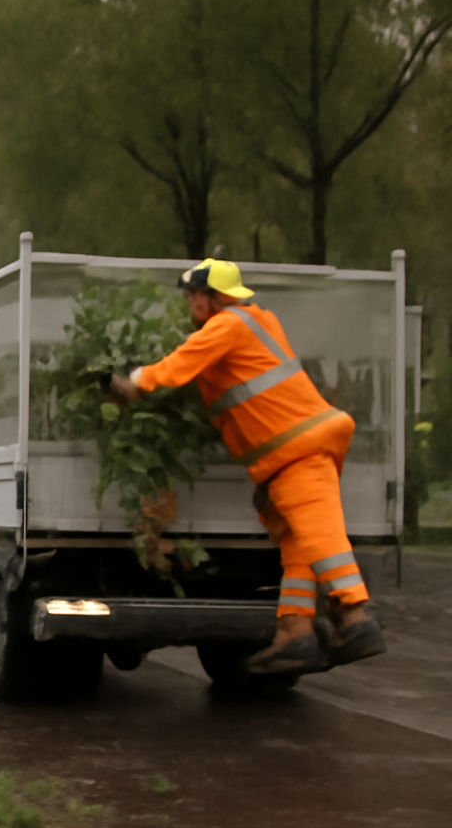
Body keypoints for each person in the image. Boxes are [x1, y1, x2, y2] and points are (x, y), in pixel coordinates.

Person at [109, 258, 386, 674]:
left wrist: (133, 383)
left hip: (297, 447)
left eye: (191, 297)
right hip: (291, 450)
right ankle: (295, 633)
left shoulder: (229, 325)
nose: (188, 305)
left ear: (207, 297)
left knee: (319, 531)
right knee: (298, 545)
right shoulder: (254, 324)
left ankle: (353, 614)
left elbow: (179, 365)